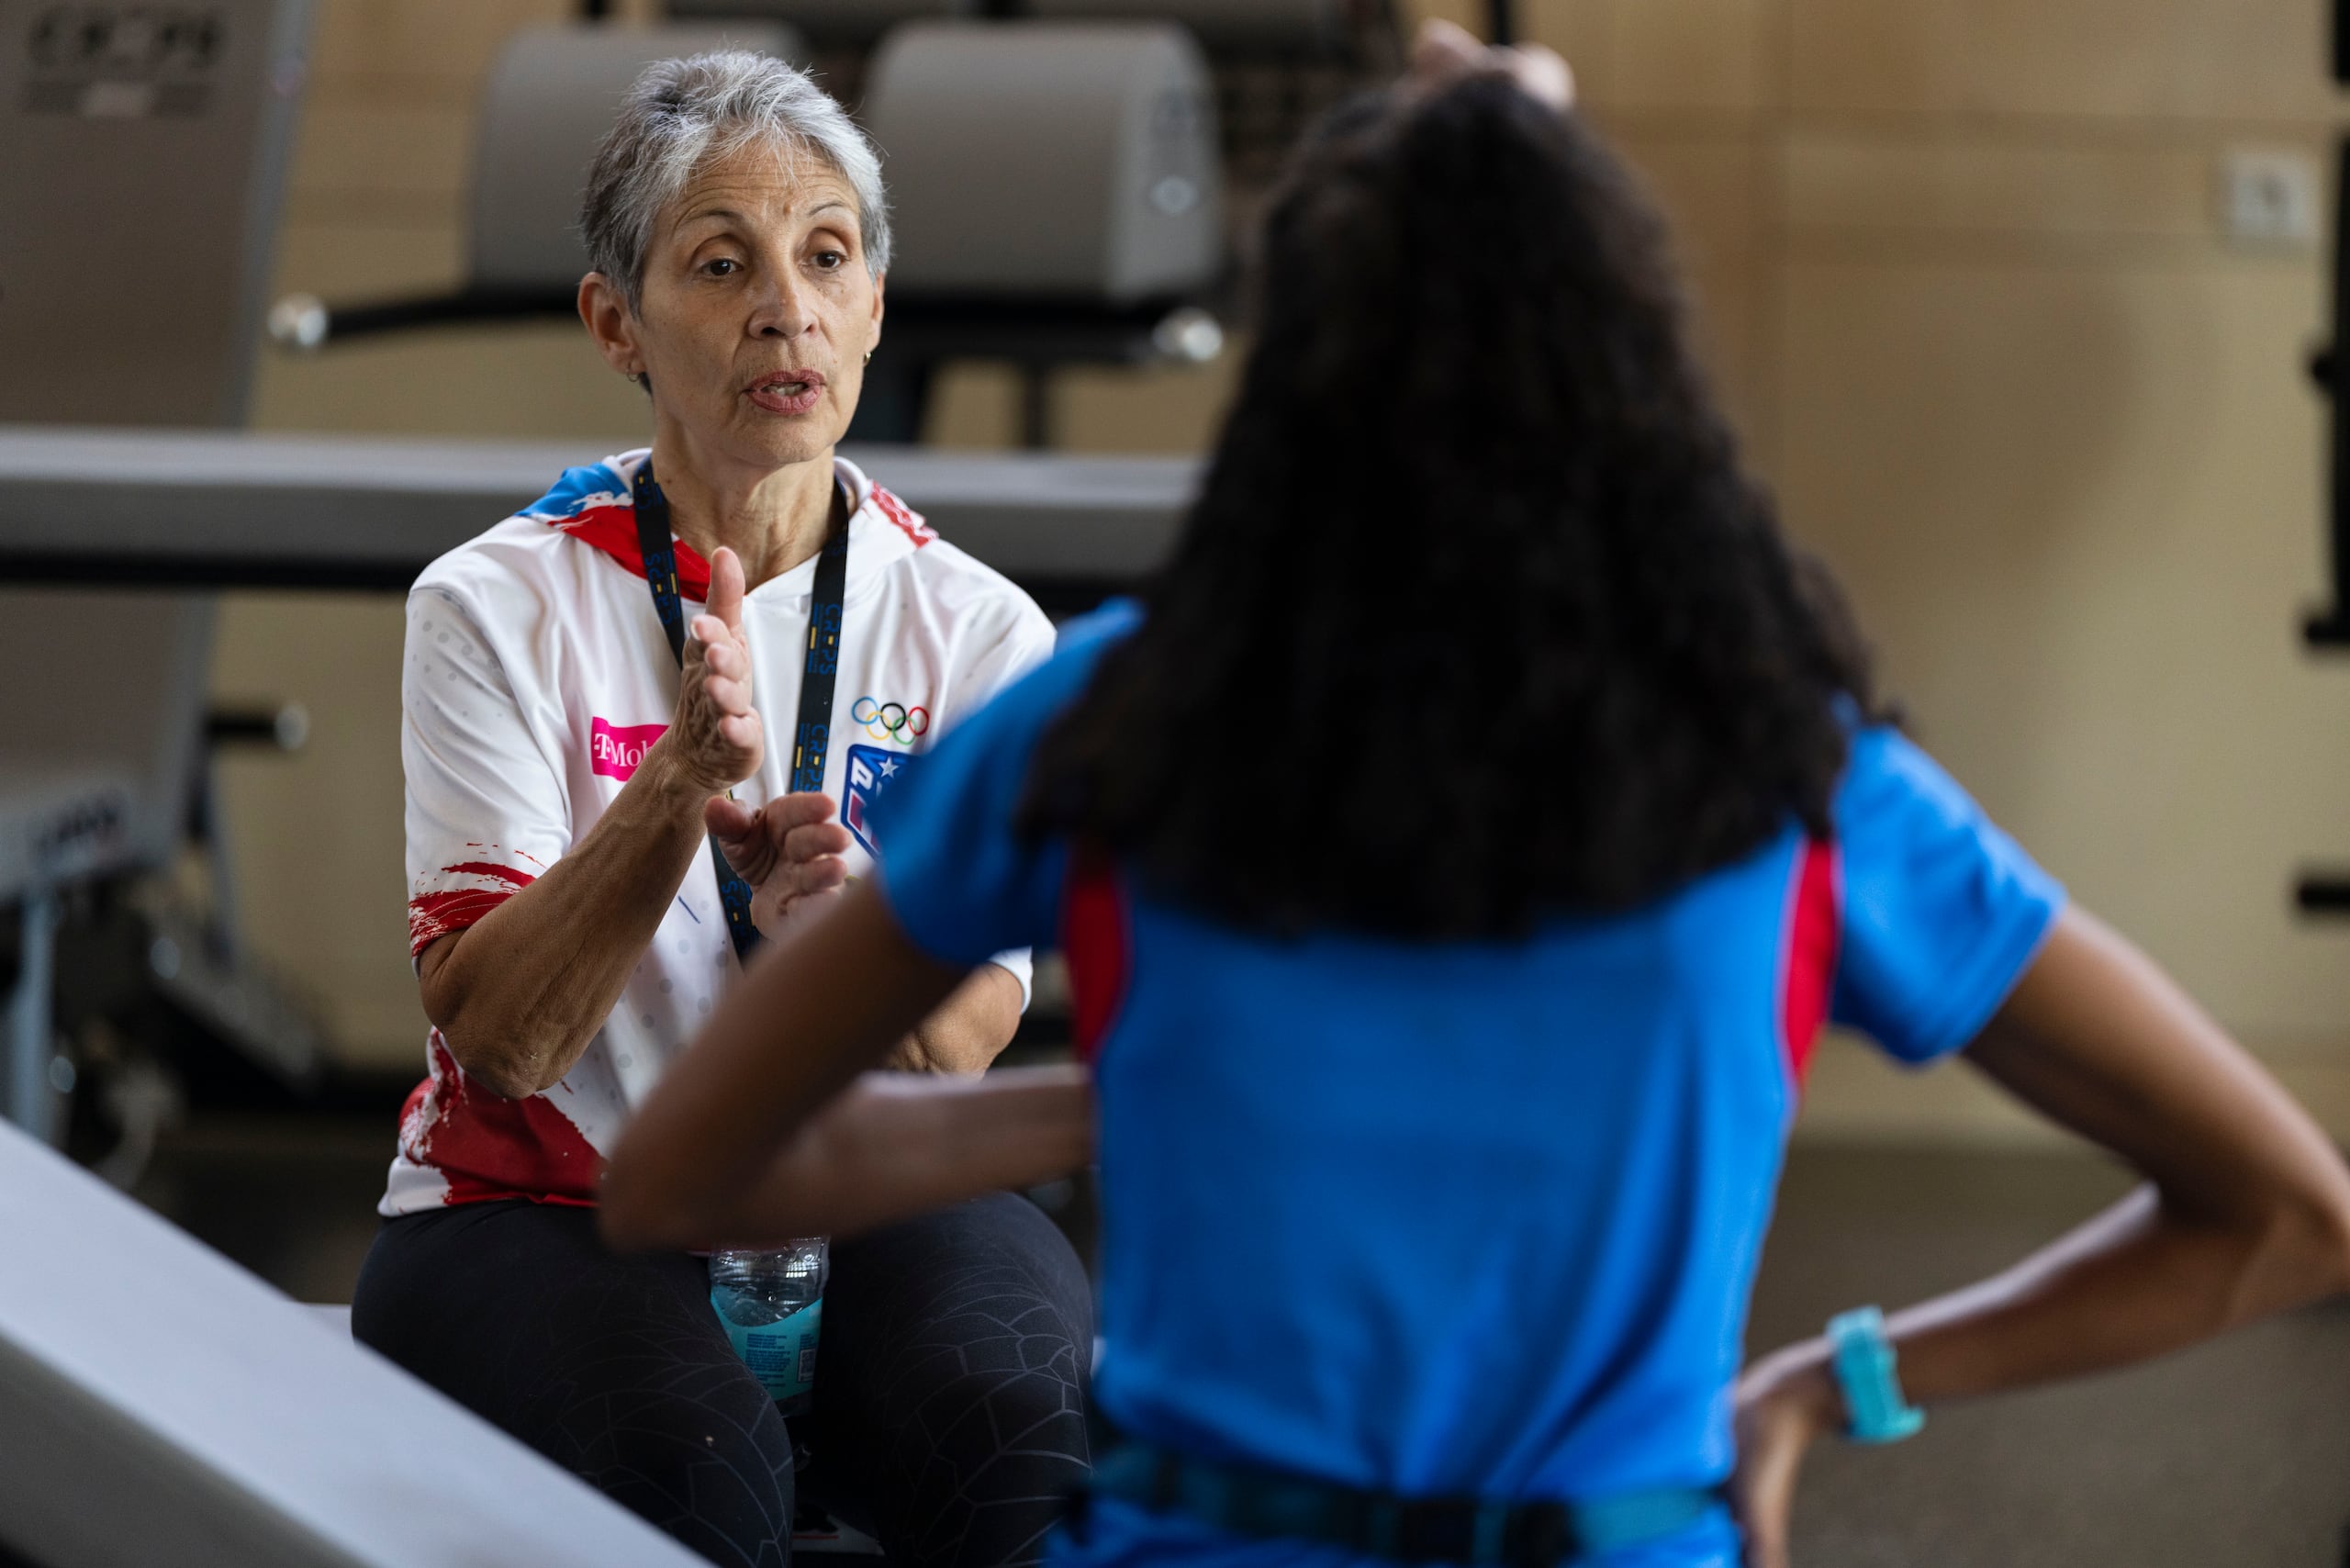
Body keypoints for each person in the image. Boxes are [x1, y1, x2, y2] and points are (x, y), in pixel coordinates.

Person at [598, 22, 2350, 1568]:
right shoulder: (1788, 760)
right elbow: (2288, 1216)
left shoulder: (1126, 719)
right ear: (1638, 372)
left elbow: (680, 1174)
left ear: (1296, 384)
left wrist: (1122, 1098)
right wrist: (1836, 1384)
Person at [348, 51, 1093, 1568]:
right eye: (718, 262)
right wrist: (670, 792)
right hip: (542, 1210)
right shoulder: (492, 605)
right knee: (686, 1472)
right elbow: (505, 1037)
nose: (785, 306)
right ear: (614, 322)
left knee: (1023, 1429)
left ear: (877, 305)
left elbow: (959, 1048)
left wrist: (854, 943)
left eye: (829, 256)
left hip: (871, 1191)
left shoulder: (981, 631)